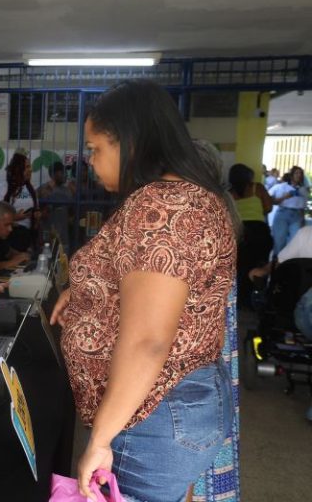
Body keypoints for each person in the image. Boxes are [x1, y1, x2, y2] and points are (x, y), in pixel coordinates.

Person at [50, 79, 238, 502]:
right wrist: (87, 293)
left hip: (153, 411)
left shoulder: (161, 209)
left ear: (130, 142)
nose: (91, 161)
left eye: (96, 148)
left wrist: (100, 440)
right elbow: (159, 290)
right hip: (168, 406)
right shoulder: (185, 199)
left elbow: (148, 341)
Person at [227, 163, 274, 307]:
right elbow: (269, 207)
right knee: (258, 265)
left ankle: (240, 299)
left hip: (240, 231)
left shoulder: (229, 193)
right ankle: (256, 299)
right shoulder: (257, 188)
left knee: (240, 266)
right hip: (259, 231)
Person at [0, 152, 40, 251]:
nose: (30, 170)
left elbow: (36, 213)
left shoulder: (31, 189)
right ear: (18, 169)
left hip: (26, 235)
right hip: (7, 236)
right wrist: (14, 218)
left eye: (30, 166)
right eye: (27, 167)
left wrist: (36, 216)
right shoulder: (2, 188)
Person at [269, 166, 309, 257]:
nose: (299, 175)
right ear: (291, 175)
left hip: (297, 215)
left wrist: (303, 220)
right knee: (279, 240)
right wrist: (285, 197)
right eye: (296, 173)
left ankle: (288, 261)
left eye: (300, 173)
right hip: (283, 213)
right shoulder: (281, 187)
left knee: (295, 240)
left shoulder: (303, 190)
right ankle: (276, 260)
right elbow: (273, 201)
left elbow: (303, 207)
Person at [37, 161, 74, 253]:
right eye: (62, 172)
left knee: (63, 258)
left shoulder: (68, 190)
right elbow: (37, 210)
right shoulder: (42, 189)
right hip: (48, 234)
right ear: (53, 174)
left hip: (63, 235)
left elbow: (72, 210)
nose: (65, 175)